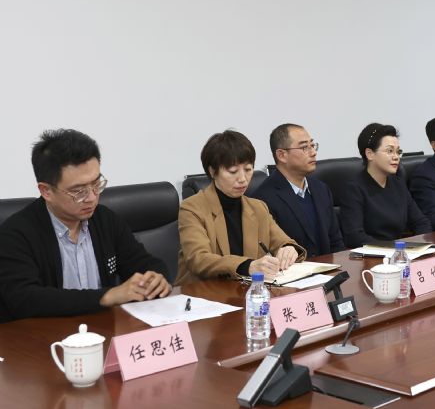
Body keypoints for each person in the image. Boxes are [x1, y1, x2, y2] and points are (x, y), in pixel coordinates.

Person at [0, 129, 171, 322]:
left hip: (101, 329)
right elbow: (25, 299)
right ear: (46, 191)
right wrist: (106, 296)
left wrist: (156, 278)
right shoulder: (15, 234)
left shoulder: (105, 219)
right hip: (43, 334)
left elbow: (144, 263)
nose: (91, 198)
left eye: (96, 184)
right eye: (78, 191)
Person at [176, 130, 305, 285]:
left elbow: (281, 241)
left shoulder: (258, 207)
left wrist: (289, 249)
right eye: (233, 171)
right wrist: (248, 266)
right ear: (213, 171)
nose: (243, 179)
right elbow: (198, 259)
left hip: (246, 291)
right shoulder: (192, 208)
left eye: (248, 169)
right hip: (201, 292)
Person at [249, 124, 345, 257]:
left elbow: (336, 242)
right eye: (304, 147)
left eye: (312, 145)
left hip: (330, 267)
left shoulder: (321, 189)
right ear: (282, 155)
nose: (313, 152)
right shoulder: (263, 199)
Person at [340, 123, 432, 247]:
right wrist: (395, 249)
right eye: (390, 151)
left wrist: (419, 247)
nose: (396, 157)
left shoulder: (398, 184)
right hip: (371, 255)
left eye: (398, 152)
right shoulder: (354, 189)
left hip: (400, 253)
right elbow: (354, 236)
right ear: (369, 154)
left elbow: (421, 222)